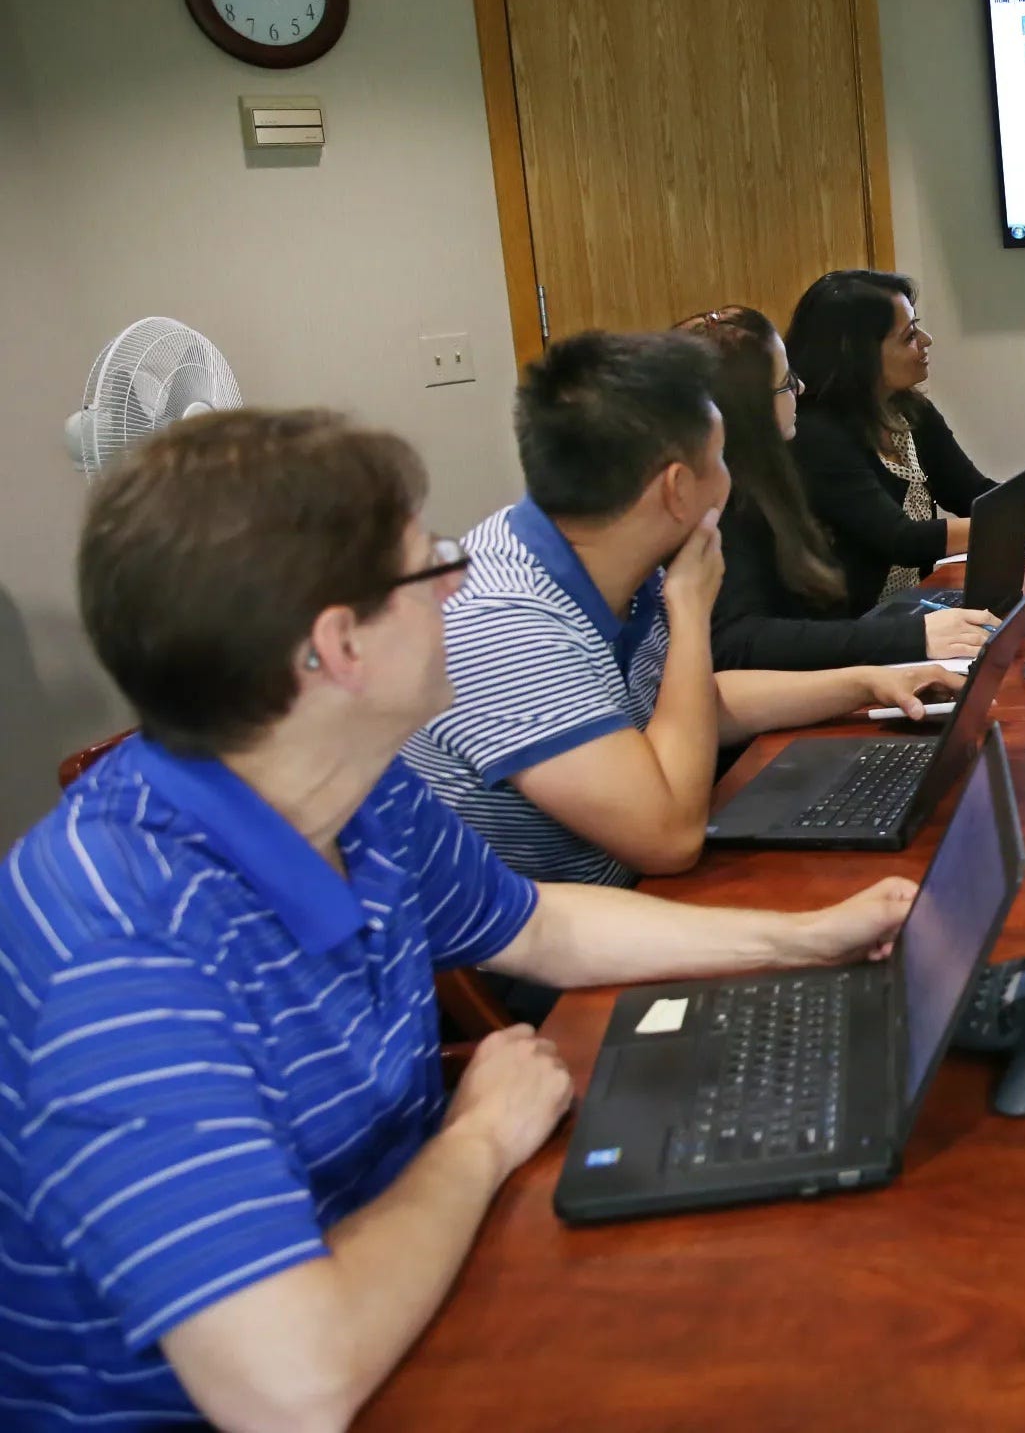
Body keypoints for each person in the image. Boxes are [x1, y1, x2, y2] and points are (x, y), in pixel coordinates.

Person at [0, 409, 928, 1429]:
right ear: (336, 646)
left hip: (404, 1282)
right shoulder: (122, 944)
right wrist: (479, 1136)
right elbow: (285, 1387)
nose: (458, 583)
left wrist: (802, 939)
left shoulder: (353, 785)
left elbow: (538, 928)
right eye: (427, 567)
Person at [401, 330, 955, 889]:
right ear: (677, 489)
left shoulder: (601, 552)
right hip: (553, 951)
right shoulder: (504, 624)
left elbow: (693, 705)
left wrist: (868, 682)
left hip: (625, 897)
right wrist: (690, 613)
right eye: (720, 459)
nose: (730, 478)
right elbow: (668, 840)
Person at [678, 304, 998, 669]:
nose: (799, 387)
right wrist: (911, 637)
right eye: (785, 382)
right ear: (749, 408)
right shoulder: (717, 503)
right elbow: (739, 643)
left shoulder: (766, 478)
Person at [785, 268, 1025, 607]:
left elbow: (972, 493)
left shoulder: (909, 410)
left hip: (916, 607)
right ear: (858, 354)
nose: (925, 341)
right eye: (909, 335)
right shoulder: (816, 435)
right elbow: (901, 539)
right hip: (852, 631)